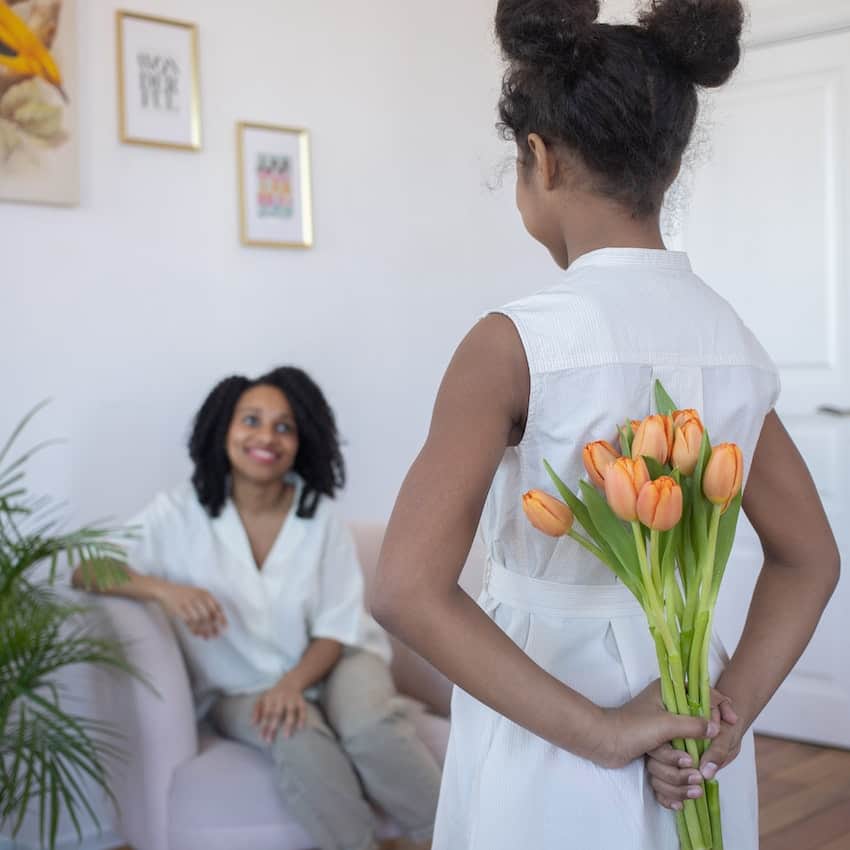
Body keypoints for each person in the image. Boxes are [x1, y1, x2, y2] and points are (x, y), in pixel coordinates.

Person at [371, 2, 839, 849]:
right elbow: (811, 558)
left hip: (549, 720)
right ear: (667, 167)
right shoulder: (730, 340)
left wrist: (606, 731)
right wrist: (728, 715)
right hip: (692, 721)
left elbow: (404, 587)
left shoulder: (512, 344)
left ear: (539, 160)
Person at [73, 366, 440, 850]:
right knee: (298, 737)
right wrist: (164, 590)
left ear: (301, 440)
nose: (266, 436)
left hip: (339, 659)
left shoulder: (318, 517)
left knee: (370, 728)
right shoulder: (178, 513)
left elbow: (336, 627)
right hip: (240, 687)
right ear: (223, 427)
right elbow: (86, 569)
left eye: (283, 426)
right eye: (251, 420)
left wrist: (292, 685)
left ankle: (457, 833)